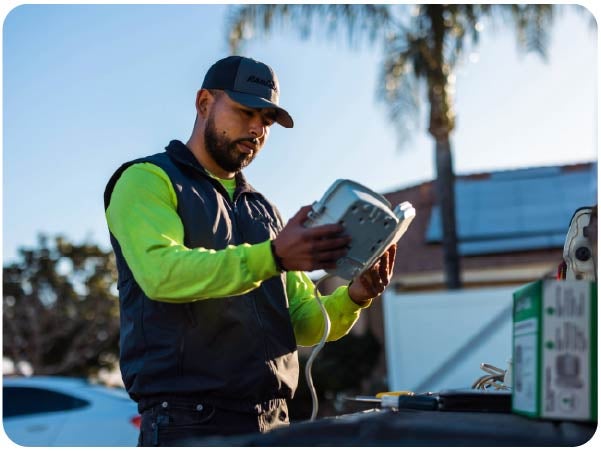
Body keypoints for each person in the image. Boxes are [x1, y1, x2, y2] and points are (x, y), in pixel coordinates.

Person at [103, 55, 397, 446]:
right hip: (189, 425)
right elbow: (161, 274)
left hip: (275, 424)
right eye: (246, 112)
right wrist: (273, 256)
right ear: (204, 103)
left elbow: (303, 324)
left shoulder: (265, 211)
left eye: (268, 120)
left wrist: (357, 296)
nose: (258, 128)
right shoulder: (147, 180)